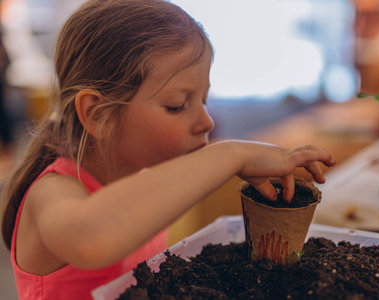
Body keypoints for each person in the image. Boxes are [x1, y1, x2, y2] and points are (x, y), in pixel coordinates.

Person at [0, 0, 336, 299]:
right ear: (98, 114)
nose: (206, 121)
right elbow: (93, 239)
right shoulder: (52, 192)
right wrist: (231, 154)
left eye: (203, 100)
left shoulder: (145, 175)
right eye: (177, 105)